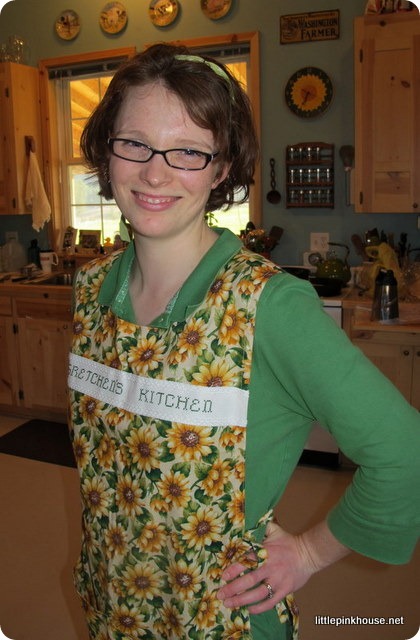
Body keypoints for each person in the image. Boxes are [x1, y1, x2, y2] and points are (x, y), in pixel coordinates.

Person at [68, 43, 420, 640]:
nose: (156, 172)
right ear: (107, 149)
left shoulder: (269, 307)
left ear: (223, 167)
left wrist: (308, 554)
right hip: (113, 604)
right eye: (134, 143)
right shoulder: (93, 287)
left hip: (219, 621)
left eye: (188, 151)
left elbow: (405, 453)